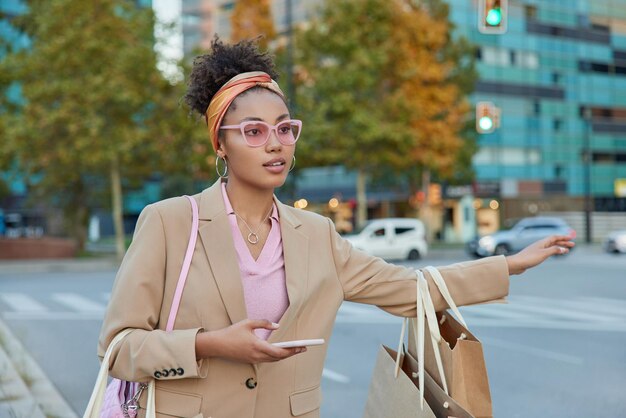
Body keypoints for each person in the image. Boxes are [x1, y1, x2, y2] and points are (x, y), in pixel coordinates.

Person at [97, 38, 575, 418]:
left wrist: (509, 265)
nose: (274, 144)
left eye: (285, 128)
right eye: (253, 131)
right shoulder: (170, 222)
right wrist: (208, 344)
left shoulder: (316, 234)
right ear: (220, 144)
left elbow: (411, 289)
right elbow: (118, 348)